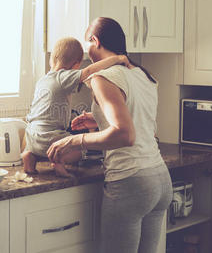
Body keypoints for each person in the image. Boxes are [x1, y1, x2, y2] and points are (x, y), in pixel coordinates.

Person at [46, 17, 172, 253]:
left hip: (131, 182)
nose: (86, 52)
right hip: (160, 180)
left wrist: (74, 140)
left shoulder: (102, 77)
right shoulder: (143, 74)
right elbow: (143, 124)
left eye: (87, 44)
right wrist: (98, 119)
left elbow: (125, 135)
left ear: (95, 41)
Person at [22, 36, 130, 177]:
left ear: (51, 59)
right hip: (51, 136)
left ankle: (30, 157)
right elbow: (89, 72)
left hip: (31, 135)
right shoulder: (63, 76)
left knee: (40, 149)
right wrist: (117, 59)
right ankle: (58, 162)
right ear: (76, 65)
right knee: (79, 150)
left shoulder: (42, 80)